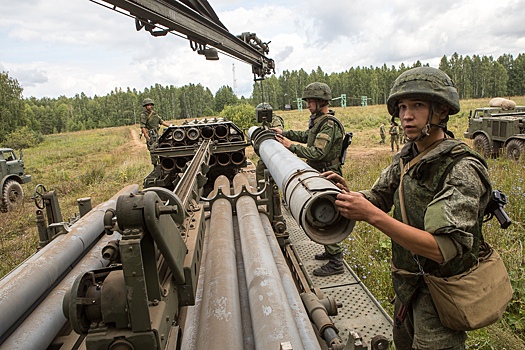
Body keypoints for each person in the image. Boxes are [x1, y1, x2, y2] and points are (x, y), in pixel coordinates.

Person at [323, 67, 492, 349]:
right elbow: (379, 195)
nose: (406, 116)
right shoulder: (407, 157)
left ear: (441, 111)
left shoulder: (461, 168)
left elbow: (441, 248)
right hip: (407, 288)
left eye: (417, 105)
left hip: (440, 297)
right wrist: (350, 195)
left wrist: (371, 215)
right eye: (401, 107)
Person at [272, 82, 346, 277]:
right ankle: (330, 251)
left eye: (310, 101)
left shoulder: (328, 124)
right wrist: (284, 134)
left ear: (322, 101)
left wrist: (291, 146)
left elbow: (318, 152)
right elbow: (307, 137)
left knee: (327, 214)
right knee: (322, 212)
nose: (307, 105)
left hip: (328, 172)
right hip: (322, 172)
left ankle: (336, 261)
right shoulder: (319, 121)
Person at [255, 103, 285, 186]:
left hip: (276, 150)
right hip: (268, 149)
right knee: (260, 171)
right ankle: (262, 191)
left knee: (269, 172)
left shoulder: (274, 120)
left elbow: (278, 130)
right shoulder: (266, 121)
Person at [140, 98, 170, 165]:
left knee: (160, 148)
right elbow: (142, 126)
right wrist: (147, 136)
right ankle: (155, 165)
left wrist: (169, 126)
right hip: (151, 135)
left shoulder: (154, 114)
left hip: (156, 134)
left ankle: (162, 163)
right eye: (148, 105)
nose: (149, 107)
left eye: (150, 105)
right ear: (145, 106)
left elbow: (161, 121)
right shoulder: (144, 115)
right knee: (153, 150)